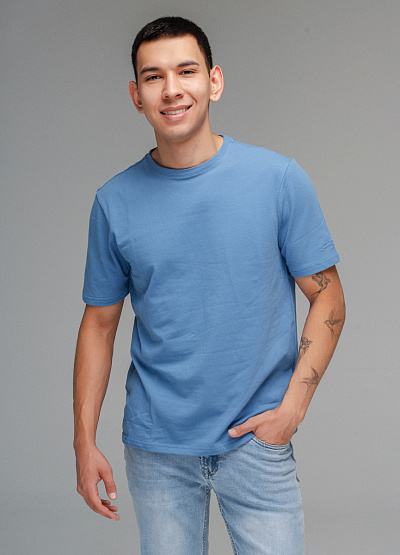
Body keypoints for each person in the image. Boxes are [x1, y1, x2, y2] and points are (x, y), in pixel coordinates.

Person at [73, 16, 345, 554]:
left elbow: (328, 296)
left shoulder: (278, 180)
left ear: (214, 82)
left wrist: (293, 409)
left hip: (256, 443)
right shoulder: (114, 202)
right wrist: (83, 442)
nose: (171, 89)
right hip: (157, 449)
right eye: (153, 77)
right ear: (136, 95)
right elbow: (99, 325)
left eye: (186, 71)